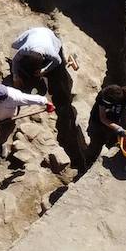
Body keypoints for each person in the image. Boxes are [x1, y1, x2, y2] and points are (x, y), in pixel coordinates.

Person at [10, 26, 85, 166]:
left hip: (48, 37)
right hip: (33, 34)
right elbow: (15, 61)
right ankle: (28, 68)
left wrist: (44, 70)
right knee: (13, 45)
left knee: (54, 71)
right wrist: (15, 76)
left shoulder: (50, 53)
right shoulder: (25, 49)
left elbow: (57, 62)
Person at [0, 82, 53, 153]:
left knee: (3, 135)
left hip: (8, 118)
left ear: (4, 99)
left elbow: (31, 99)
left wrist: (46, 102)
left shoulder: (15, 97)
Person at [85, 84, 126, 162]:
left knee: (114, 141)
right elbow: (102, 118)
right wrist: (118, 128)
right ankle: (89, 162)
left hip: (114, 120)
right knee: (95, 144)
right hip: (97, 122)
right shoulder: (103, 94)